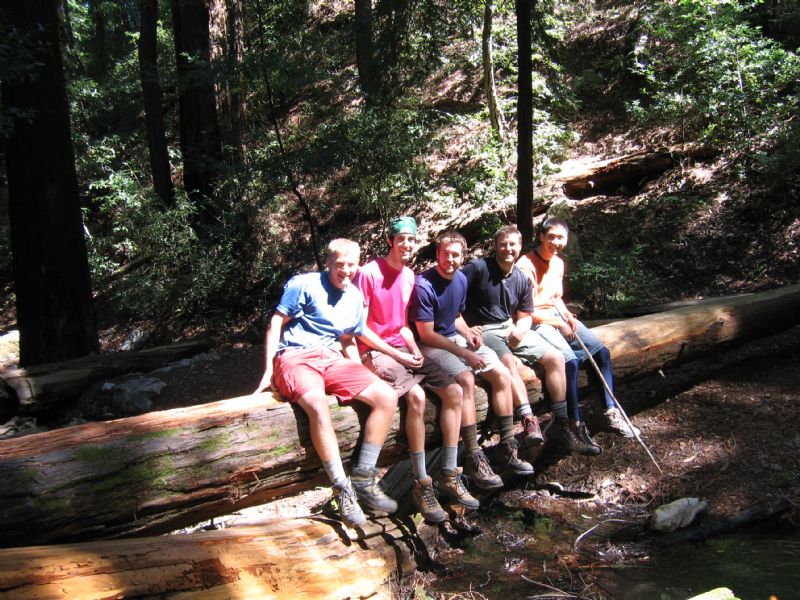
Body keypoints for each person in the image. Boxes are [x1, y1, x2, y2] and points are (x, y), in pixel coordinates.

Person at [254, 238, 403, 528]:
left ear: (358, 265)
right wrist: (268, 370)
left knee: (386, 396)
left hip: (331, 358)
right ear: (328, 263)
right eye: (340, 265)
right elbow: (276, 322)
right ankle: (341, 488)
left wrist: (361, 374)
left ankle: (363, 477)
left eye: (351, 265)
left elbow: (347, 340)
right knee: (317, 404)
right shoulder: (304, 284)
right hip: (295, 356)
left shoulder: (355, 296)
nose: (346, 271)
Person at [354, 217, 476, 521]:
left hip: (402, 349)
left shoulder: (409, 276)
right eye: (401, 239)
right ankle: (422, 483)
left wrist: (412, 350)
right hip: (374, 351)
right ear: (390, 241)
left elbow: (403, 327)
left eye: (411, 239)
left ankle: (449, 472)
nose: (407, 244)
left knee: (454, 391)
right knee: (418, 398)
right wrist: (398, 353)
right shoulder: (368, 273)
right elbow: (360, 329)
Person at [410, 230, 533, 493]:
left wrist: (468, 334)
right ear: (437, 254)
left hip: (455, 338)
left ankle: (508, 445)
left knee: (502, 374)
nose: (450, 260)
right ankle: (474, 455)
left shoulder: (461, 280)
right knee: (466, 378)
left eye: (455, 255)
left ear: (463, 257)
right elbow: (427, 333)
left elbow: (455, 316)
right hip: (430, 344)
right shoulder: (424, 285)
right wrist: (465, 354)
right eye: (445, 254)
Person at [461, 225, 599, 457]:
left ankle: (561, 421)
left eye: (512, 244)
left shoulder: (521, 278)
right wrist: (464, 327)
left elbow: (525, 315)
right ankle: (528, 419)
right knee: (509, 361)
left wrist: (519, 330)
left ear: (520, 246)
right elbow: (454, 291)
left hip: (511, 326)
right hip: (485, 330)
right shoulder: (478, 269)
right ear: (495, 246)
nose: (508, 249)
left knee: (556, 358)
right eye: (503, 244)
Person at [515, 217, 640, 445]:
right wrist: (558, 322)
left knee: (601, 353)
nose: (555, 242)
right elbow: (527, 311)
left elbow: (556, 298)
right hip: (536, 322)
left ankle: (609, 411)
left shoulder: (558, 263)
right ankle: (573, 421)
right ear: (541, 236)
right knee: (569, 361)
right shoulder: (526, 266)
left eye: (560, 238)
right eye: (551, 237)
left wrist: (567, 316)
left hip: (557, 316)